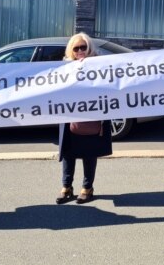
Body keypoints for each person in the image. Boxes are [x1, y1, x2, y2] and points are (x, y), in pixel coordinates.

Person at [56, 33, 112, 204]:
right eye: (76, 48)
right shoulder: (64, 68)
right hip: (69, 118)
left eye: (83, 47)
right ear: (71, 51)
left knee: (89, 153)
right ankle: (66, 187)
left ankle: (87, 188)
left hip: (92, 117)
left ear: (89, 49)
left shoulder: (100, 66)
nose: (80, 50)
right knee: (68, 153)